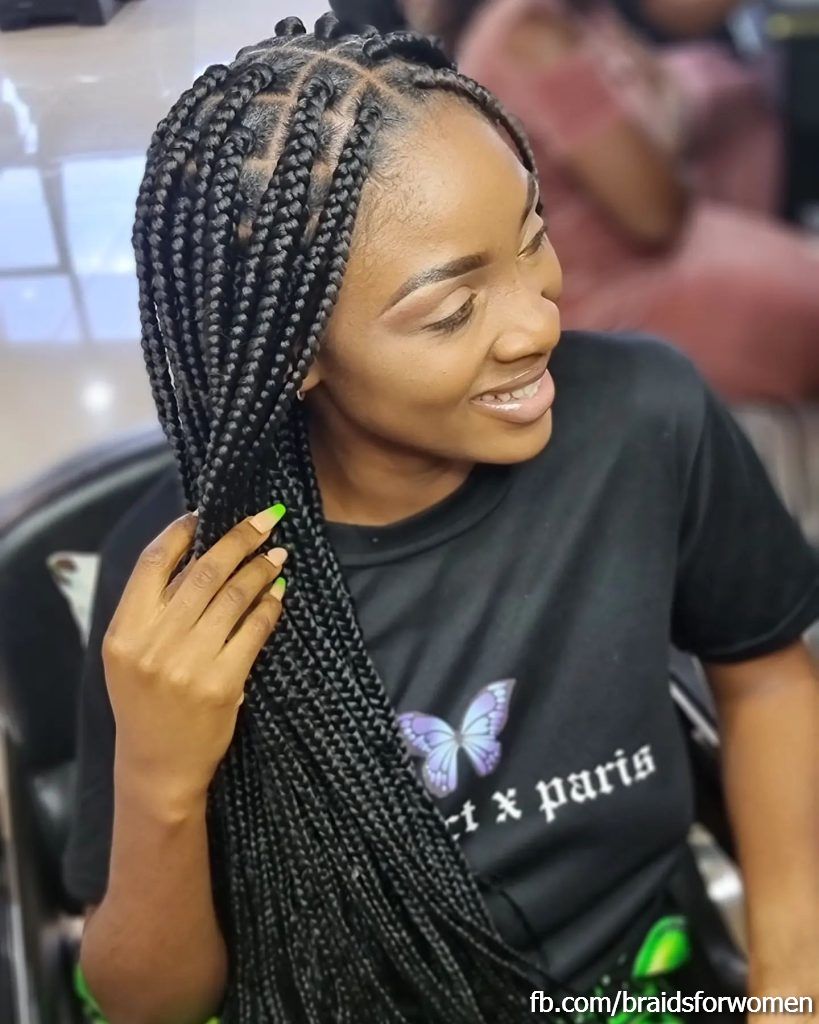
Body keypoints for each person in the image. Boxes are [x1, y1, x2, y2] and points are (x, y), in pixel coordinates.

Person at [62, 13, 819, 1024]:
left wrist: (789, 989)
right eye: (451, 311)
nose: (538, 321)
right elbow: (148, 1006)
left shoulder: (646, 421)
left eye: (534, 237)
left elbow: (764, 675)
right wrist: (161, 776)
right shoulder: (197, 585)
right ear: (296, 354)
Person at [390, 0, 819, 404]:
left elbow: (664, 106)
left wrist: (659, 135)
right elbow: (656, 214)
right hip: (606, 302)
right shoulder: (530, 37)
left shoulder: (572, 13)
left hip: (649, 254)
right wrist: (660, 132)